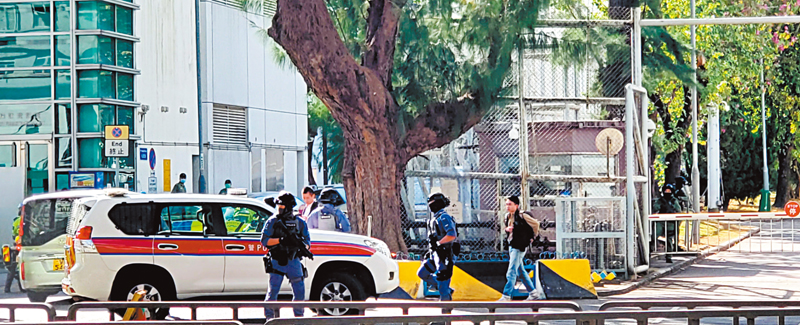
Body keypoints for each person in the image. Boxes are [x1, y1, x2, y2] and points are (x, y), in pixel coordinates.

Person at [261, 191, 312, 320]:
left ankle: (299, 318)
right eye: (279, 206)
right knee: (273, 292)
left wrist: (302, 248)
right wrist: (281, 240)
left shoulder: (300, 223)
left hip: (293, 260)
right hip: (278, 260)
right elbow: (264, 240)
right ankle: (270, 319)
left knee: (300, 290)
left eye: (282, 206)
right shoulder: (273, 221)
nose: (280, 209)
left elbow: (307, 242)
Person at [417, 193, 458, 301]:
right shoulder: (434, 218)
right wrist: (432, 250)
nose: (430, 206)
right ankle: (445, 288)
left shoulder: (444, 217)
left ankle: (445, 313)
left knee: (442, 281)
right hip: (435, 254)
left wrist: (439, 244)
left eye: (432, 203)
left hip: (444, 254)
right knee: (422, 273)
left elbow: (452, 235)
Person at [499, 196, 541, 301]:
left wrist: (533, 237)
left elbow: (536, 224)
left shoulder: (523, 216)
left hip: (519, 246)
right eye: (506, 204)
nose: (507, 206)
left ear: (516, 206)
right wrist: (507, 229)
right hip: (512, 244)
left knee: (511, 271)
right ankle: (533, 292)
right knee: (520, 271)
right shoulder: (507, 216)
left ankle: (506, 295)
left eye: (510, 204)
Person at [652, 183, 682, 263]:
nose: (667, 192)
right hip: (661, 221)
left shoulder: (674, 200)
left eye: (669, 191)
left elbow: (678, 210)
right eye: (666, 190)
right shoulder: (660, 200)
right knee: (654, 235)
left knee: (669, 239)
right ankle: (650, 251)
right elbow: (656, 207)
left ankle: (669, 256)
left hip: (671, 222)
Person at [4, 204, 22, 293]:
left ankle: (7, 288)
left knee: (13, 267)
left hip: (17, 244)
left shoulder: (16, 221)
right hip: (26, 245)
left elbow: (13, 233)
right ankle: (22, 287)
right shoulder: (29, 220)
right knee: (18, 266)